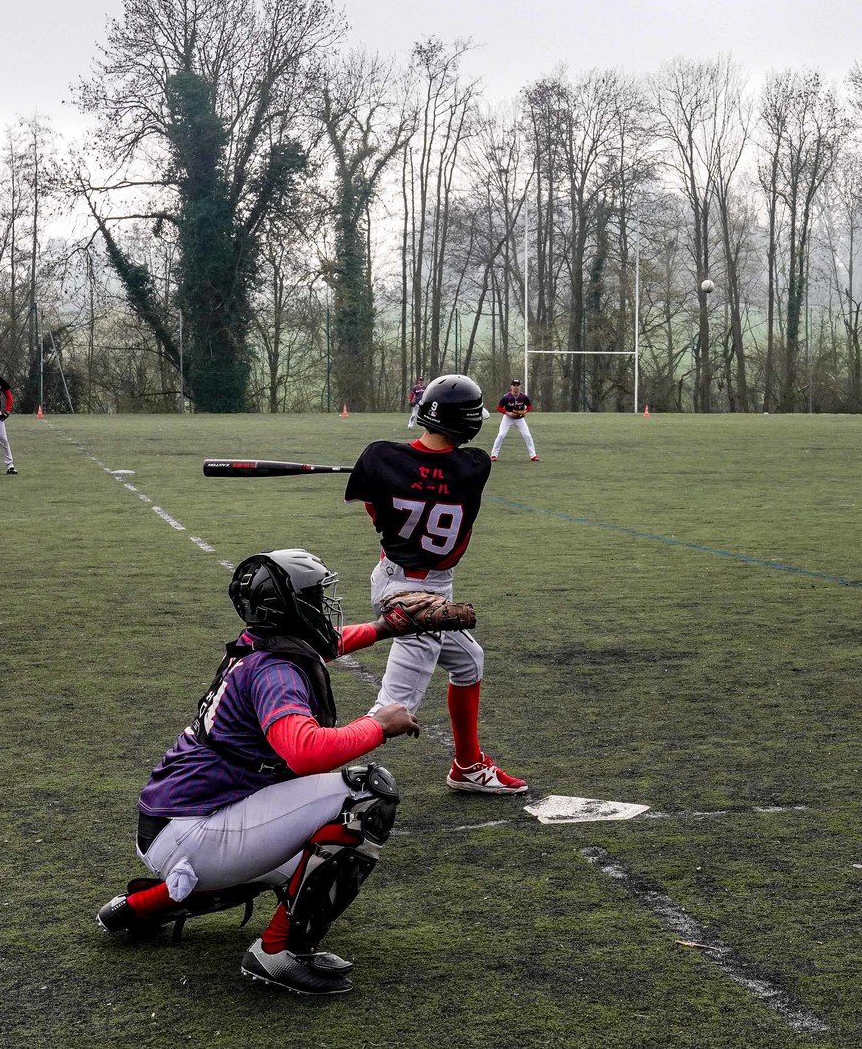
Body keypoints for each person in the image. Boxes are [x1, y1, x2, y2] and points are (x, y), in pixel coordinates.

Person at [96, 549, 432, 995]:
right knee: (365, 795)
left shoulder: (260, 643)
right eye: (314, 594)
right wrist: (379, 725)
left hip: (178, 819)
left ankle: (142, 906)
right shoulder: (275, 670)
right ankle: (277, 953)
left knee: (300, 862)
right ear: (290, 606)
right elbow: (305, 752)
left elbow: (325, 643)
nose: (323, 603)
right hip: (195, 829)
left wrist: (389, 627)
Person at [345, 374, 528, 795]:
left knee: (468, 663)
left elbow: (377, 512)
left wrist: (390, 472)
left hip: (393, 579)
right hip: (416, 601)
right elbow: (438, 472)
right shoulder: (475, 466)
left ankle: (467, 765)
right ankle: (299, 775)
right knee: (391, 711)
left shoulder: (379, 457)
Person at [490, 378, 538, 461]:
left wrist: (525, 411)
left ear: (520, 387)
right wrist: (507, 413)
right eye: (514, 385)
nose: (516, 387)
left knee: (527, 435)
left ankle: (533, 455)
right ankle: (494, 455)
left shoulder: (523, 397)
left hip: (519, 419)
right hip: (508, 418)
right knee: (501, 435)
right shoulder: (506, 397)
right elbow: (499, 407)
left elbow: (529, 406)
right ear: (511, 387)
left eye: (517, 385)